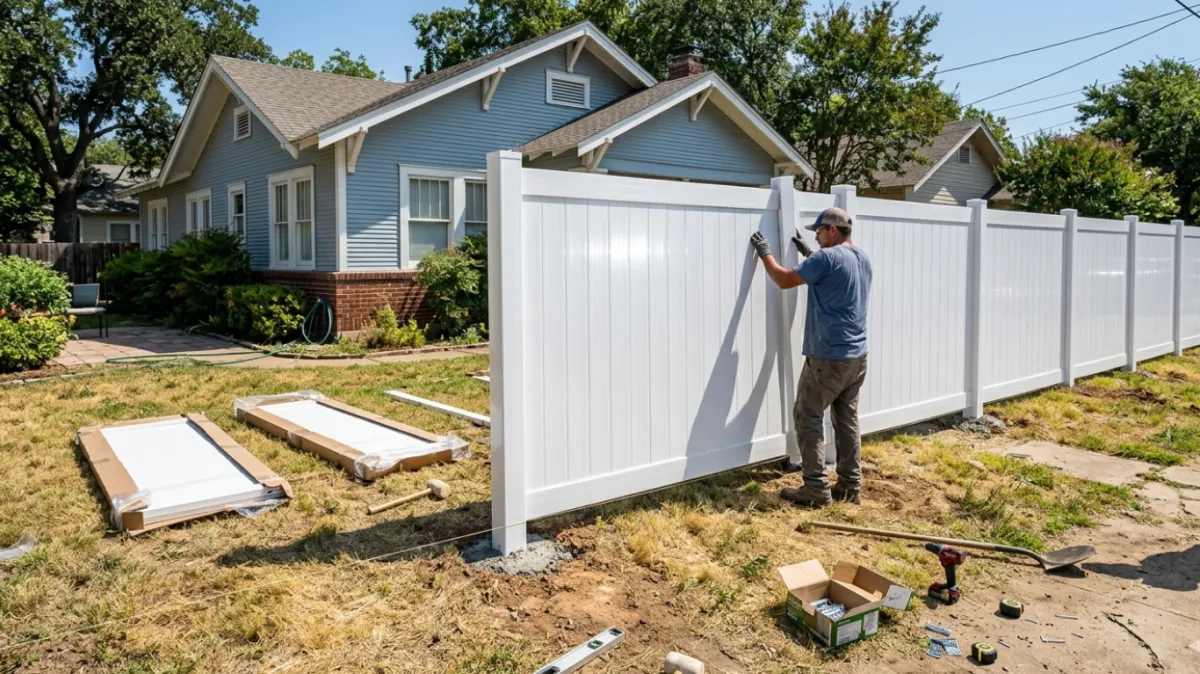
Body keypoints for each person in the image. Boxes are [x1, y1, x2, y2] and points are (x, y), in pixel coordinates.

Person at [749, 207, 872, 507]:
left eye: (817, 231)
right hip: (857, 356)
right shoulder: (862, 258)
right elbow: (832, 277)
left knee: (807, 415)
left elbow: (784, 279)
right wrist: (808, 252)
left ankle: (816, 490)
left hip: (828, 355)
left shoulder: (825, 258)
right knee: (846, 419)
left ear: (831, 230)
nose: (814, 236)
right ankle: (849, 486)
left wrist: (765, 253)